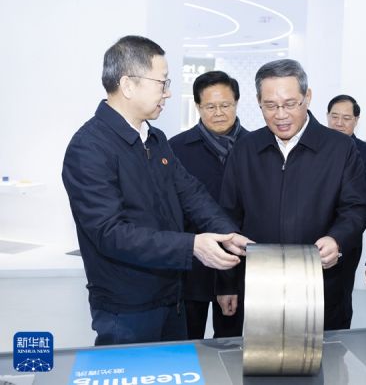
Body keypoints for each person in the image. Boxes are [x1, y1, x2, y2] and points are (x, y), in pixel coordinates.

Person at [62, 36, 250, 346]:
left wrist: (227, 233)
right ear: (128, 85)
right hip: (128, 308)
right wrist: (191, 246)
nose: (168, 93)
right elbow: (110, 233)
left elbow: (191, 193)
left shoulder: (155, 139)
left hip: (171, 295)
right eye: (162, 83)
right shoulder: (90, 148)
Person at [217, 59, 366, 332]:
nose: (280, 115)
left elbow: (355, 209)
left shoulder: (340, 148)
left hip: (321, 286)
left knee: (320, 356)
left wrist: (337, 239)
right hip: (257, 287)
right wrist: (226, 283)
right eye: (270, 105)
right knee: (257, 356)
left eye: (290, 104)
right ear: (258, 102)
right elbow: (228, 218)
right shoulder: (244, 149)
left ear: (307, 97)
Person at [169, 71, 248, 339]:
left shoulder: (256, 147)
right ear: (198, 106)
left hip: (240, 261)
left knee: (230, 345)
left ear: (237, 103)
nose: (219, 113)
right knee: (187, 344)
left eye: (225, 105)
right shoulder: (176, 148)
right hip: (192, 266)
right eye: (210, 107)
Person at [326, 94, 366, 326]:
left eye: (346, 118)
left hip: (346, 237)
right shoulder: (315, 147)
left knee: (340, 296)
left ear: (356, 120)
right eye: (334, 116)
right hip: (311, 236)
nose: (339, 123)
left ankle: (338, 342)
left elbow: (359, 198)